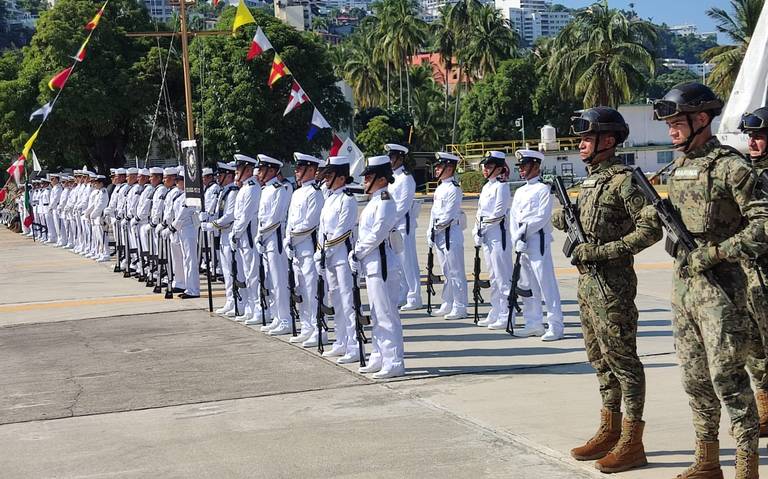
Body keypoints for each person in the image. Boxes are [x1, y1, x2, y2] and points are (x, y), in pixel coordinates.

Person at [653, 82, 768, 477]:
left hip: (724, 288)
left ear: (701, 119)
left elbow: (763, 226)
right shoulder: (679, 167)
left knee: (728, 376)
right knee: (694, 375)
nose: (671, 130)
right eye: (668, 124)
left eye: (677, 122)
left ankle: (746, 465)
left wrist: (715, 253)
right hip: (685, 287)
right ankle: (706, 459)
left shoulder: (731, 167)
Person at [553, 107, 661, 473]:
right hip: (587, 284)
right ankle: (609, 428)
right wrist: (565, 217)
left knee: (623, 362)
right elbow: (584, 221)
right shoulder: (591, 181)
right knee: (599, 359)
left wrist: (602, 252)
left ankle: (633, 439)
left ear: (609, 141)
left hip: (612, 284)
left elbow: (650, 229)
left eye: (587, 138)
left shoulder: (624, 180)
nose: (581, 145)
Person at [350, 155, 404, 378]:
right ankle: (378, 355)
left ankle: (394, 361)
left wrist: (358, 251)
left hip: (382, 264)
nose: (364, 181)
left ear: (381, 179)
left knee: (386, 314)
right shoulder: (374, 201)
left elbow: (377, 234)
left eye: (369, 177)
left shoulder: (385, 201)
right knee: (375, 312)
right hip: (372, 265)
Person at [509, 149, 564, 341]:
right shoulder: (520, 191)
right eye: (521, 166)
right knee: (527, 286)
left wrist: (522, 234)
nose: (521, 170)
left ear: (536, 166)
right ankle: (533, 323)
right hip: (522, 244)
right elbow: (513, 217)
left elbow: (541, 217)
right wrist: (516, 238)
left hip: (537, 241)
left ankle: (555, 325)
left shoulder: (543, 189)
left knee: (545, 283)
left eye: (524, 166)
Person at [739, 106, 768, 437]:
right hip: (750, 275)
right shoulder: (747, 173)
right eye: (750, 136)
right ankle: (765, 410)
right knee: (755, 348)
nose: (753, 142)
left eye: (759, 136)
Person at [317, 155, 360, 362]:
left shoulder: (347, 199)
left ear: (342, 178)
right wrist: (320, 252)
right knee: (336, 300)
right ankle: (340, 341)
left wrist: (326, 250)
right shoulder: (329, 199)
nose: (326, 179)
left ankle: (353, 345)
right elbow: (323, 229)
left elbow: (343, 231)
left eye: (330, 176)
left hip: (342, 256)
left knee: (348, 301)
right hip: (330, 257)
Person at [284, 153, 325, 345]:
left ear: (311, 170)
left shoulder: (315, 193)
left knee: (312, 290)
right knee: (300, 289)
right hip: (296, 249)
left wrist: (292, 238)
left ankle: (319, 329)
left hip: (308, 247)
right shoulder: (297, 192)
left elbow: (310, 223)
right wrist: (287, 240)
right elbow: (290, 221)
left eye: (300, 168)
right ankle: (306, 326)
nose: (296, 171)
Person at [472, 151, 513, 330]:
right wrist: (476, 230)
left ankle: (506, 314)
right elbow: (480, 212)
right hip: (487, 236)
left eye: (489, 166)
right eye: (484, 166)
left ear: (499, 168)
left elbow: (498, 213)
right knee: (493, 277)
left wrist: (482, 228)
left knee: (502, 277)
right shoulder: (487, 187)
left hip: (498, 236)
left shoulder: (502, 187)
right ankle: (495, 311)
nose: (485, 170)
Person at [252, 154, 291, 332]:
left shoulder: (278, 189)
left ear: (272, 170)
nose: (259, 172)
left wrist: (260, 234)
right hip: (266, 239)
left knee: (279, 280)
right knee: (270, 279)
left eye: (262, 169)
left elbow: (274, 219)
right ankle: (276, 316)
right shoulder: (266, 189)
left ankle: (285, 319)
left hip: (274, 239)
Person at [427, 152, 467, 320]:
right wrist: (430, 231)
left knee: (456, 271)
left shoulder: (454, 189)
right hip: (440, 235)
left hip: (451, 233)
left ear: (449, 168)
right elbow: (434, 212)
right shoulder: (440, 187)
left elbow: (448, 215)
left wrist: (435, 228)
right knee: (446, 270)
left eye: (440, 167)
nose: (436, 169)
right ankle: (448, 301)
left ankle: (460, 305)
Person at [385, 143, 422, 311]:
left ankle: (414, 296)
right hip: (392, 225)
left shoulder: (406, 178)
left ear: (400, 158)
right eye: (389, 157)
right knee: (398, 263)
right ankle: (404, 292)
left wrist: (390, 220)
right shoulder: (391, 178)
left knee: (408, 261)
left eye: (392, 157)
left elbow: (403, 205)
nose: (390, 160)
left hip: (402, 224)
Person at [201, 162, 239, 314]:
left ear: (228, 176)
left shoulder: (233, 192)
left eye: (221, 175)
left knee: (232, 271)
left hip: (229, 233)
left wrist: (212, 225)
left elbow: (229, 216)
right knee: (226, 270)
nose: (218, 178)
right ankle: (230, 300)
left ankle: (237, 302)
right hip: (223, 234)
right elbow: (218, 212)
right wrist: (208, 217)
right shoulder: (225, 191)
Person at [229, 154, 261, 322]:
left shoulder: (252, 188)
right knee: (247, 274)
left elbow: (245, 216)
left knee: (253, 274)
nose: (236, 172)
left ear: (248, 170)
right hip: (242, 237)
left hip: (248, 236)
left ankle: (258, 309)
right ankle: (250, 307)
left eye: (239, 169)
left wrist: (235, 233)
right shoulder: (244, 188)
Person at [170, 169, 200, 299]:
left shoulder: (190, 195)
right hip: (181, 230)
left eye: (179, 180)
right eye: (176, 180)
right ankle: (187, 286)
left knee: (190, 260)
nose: (177, 182)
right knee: (184, 259)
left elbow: (183, 213)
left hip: (189, 229)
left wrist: (173, 226)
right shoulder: (180, 195)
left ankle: (193, 289)